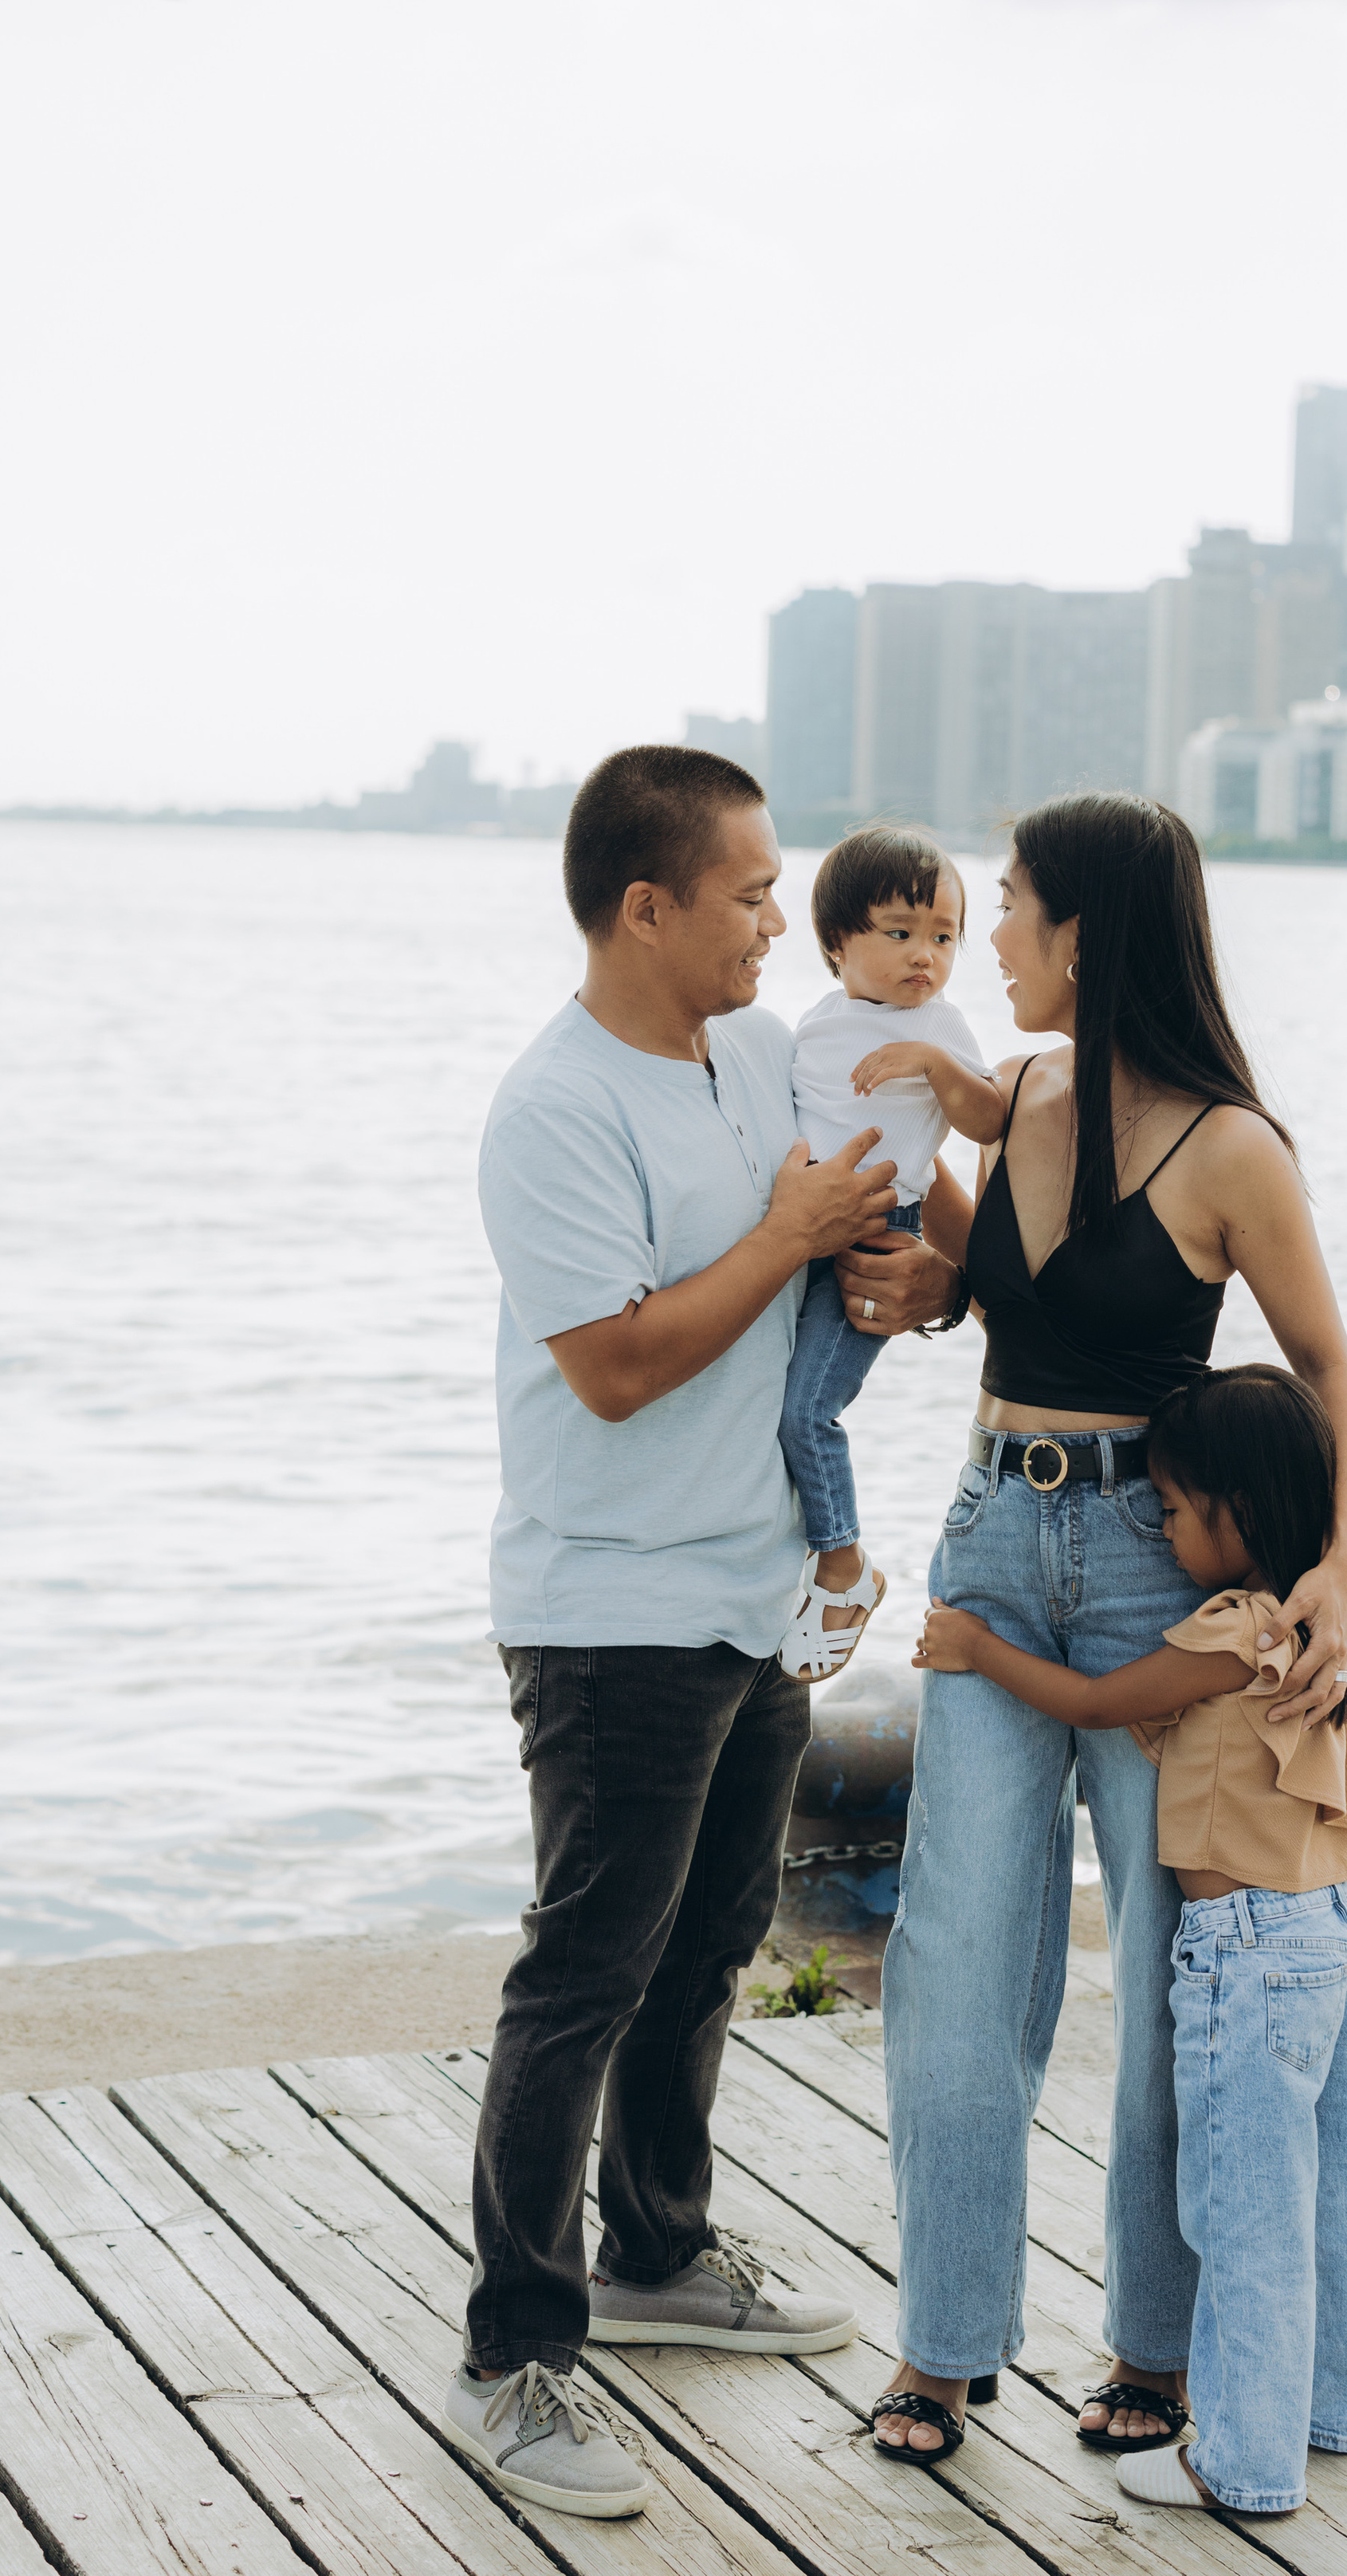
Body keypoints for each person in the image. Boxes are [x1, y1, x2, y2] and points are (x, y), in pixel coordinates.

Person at [869, 792, 1347, 2468]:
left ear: (1083, 928)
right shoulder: (1013, 1094)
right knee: (954, 1962)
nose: (985, 934)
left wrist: (1335, 1568)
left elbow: (1321, 1369)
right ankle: (941, 2349)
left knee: (1173, 1974)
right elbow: (997, 1292)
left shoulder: (1231, 1148)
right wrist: (912, 1255)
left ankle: (1152, 2347)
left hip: (1158, 1571)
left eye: (1007, 906)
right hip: (994, 1540)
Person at [443, 745, 913, 2520]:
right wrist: (787, 1227)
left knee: (711, 1946)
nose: (774, 921)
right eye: (745, 893)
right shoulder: (554, 1108)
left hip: (755, 1589)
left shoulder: (743, 1057)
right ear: (645, 907)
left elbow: (803, 1274)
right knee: (584, 1973)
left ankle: (655, 2253)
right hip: (611, 1611)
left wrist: (869, 1261)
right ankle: (519, 2348)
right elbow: (619, 1366)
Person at [914, 1362, 1347, 2516]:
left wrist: (978, 1651)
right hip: (1328, 1930)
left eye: (1176, 1511)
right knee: (1326, 2190)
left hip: (1244, 1954)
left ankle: (1241, 2461)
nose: (1165, 1529)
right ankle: (1340, 2409)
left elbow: (1091, 1705)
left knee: (1241, 2207)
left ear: (1239, 1512)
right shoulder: (1306, 1627)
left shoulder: (1230, 1628)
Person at [777, 825, 1003, 1681]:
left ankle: (845, 1565)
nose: (926, 956)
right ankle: (788, 1559)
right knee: (765, 1396)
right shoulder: (815, 1022)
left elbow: (987, 1120)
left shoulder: (941, 1026)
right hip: (798, 1234)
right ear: (837, 942)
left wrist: (935, 1065)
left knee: (808, 1410)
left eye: (944, 937)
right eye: (900, 932)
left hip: (879, 1235)